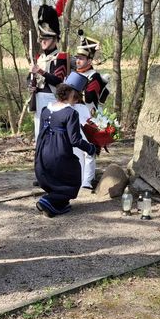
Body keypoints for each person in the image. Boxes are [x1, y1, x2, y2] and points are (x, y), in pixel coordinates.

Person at [35, 72, 97, 217]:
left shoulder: (46, 109)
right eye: (77, 97)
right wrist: (91, 148)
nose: (77, 101)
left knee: (57, 175)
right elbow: (74, 140)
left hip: (43, 153)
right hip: (59, 153)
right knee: (73, 172)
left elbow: (41, 134)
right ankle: (48, 200)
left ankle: (58, 204)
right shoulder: (70, 113)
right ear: (72, 95)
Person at [29, 0, 70, 141]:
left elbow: (58, 81)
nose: (43, 41)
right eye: (42, 38)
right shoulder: (39, 58)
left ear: (55, 38)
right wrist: (31, 84)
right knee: (39, 137)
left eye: (47, 38)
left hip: (53, 100)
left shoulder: (61, 57)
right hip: (38, 100)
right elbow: (31, 78)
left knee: (52, 139)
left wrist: (40, 71)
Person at [73, 32, 109, 189]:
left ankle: (87, 181)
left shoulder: (94, 76)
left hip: (88, 114)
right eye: (77, 58)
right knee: (75, 148)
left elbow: (89, 98)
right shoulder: (74, 74)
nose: (78, 61)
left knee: (88, 148)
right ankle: (78, 179)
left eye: (81, 58)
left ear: (89, 60)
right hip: (74, 113)